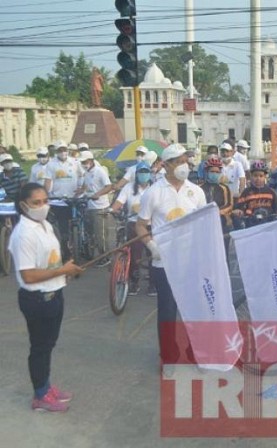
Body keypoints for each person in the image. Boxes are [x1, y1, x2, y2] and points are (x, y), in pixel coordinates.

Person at [8, 183, 83, 412]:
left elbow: (51, 260)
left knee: (48, 345)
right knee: (40, 348)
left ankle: (46, 386)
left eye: (45, 200)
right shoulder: (23, 234)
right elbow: (28, 275)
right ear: (23, 205)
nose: (42, 206)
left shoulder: (45, 224)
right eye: (36, 203)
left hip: (54, 294)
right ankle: (40, 395)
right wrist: (62, 271)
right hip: (37, 300)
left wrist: (64, 271)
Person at [136, 143, 207, 368]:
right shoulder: (153, 192)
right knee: (167, 310)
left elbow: (204, 223)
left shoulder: (196, 191)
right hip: (164, 262)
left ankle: (195, 352)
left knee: (194, 309)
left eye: (185, 160)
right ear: (165, 165)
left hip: (191, 261)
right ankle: (168, 357)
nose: (183, 165)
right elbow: (140, 225)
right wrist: (151, 245)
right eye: (177, 161)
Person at [111, 161, 154, 296]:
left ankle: (153, 284)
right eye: (141, 172)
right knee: (134, 254)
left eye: (146, 172)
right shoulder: (129, 188)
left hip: (151, 225)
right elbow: (119, 202)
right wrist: (112, 209)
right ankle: (134, 282)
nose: (143, 175)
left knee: (153, 254)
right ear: (136, 175)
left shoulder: (155, 188)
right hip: (133, 224)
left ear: (150, 174)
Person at [46, 141, 83, 261]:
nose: (63, 152)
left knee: (78, 221)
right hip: (59, 201)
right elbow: (48, 181)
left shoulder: (75, 162)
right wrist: (46, 194)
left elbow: (82, 176)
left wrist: (81, 188)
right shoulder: (51, 165)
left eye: (64, 149)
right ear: (56, 152)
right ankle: (66, 251)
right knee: (63, 229)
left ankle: (82, 242)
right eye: (60, 150)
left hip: (74, 199)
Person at [78, 151, 114, 267]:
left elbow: (109, 186)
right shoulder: (86, 173)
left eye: (86, 162)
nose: (84, 164)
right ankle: (96, 255)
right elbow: (85, 186)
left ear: (91, 161)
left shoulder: (100, 171)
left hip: (100, 207)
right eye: (82, 162)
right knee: (92, 233)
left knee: (101, 235)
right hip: (90, 207)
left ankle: (106, 257)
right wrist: (79, 191)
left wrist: (98, 194)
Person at [233, 160, 277, 227]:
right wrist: (238, 211)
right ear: (251, 176)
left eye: (261, 176)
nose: (258, 178)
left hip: (268, 225)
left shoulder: (271, 192)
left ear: (265, 177)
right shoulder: (246, 192)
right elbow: (239, 207)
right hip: (250, 225)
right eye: (255, 176)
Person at [200, 155, 233, 254]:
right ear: (206, 172)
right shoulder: (199, 188)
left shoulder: (225, 188)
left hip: (221, 223)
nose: (214, 174)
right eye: (212, 172)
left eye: (217, 172)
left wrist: (216, 212)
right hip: (204, 224)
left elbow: (229, 205)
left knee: (222, 252)